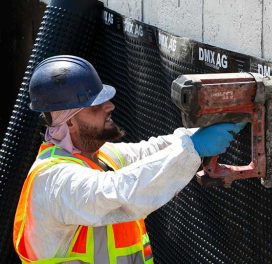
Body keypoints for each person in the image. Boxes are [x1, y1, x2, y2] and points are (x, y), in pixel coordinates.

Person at [13, 55, 245, 263]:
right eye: (95, 107)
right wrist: (193, 147)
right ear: (69, 121)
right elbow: (117, 191)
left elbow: (149, 154)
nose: (109, 106)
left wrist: (199, 134)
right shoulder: (54, 180)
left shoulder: (99, 157)